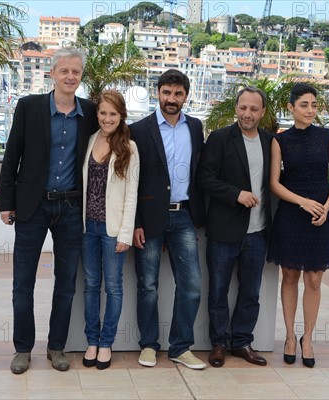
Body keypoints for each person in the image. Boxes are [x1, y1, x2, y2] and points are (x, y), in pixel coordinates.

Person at [0, 47, 98, 374]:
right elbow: (12, 155)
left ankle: (57, 347)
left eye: (76, 72)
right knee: (22, 282)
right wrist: (6, 202)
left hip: (71, 206)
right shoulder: (29, 107)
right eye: (65, 71)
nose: (71, 77)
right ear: (52, 73)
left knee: (66, 283)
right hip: (32, 205)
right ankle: (23, 349)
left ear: (81, 77)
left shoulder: (91, 112)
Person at [130, 69, 207, 370]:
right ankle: (149, 344)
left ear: (186, 96)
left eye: (178, 94)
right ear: (158, 93)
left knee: (191, 285)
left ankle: (180, 347)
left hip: (183, 216)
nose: (172, 99)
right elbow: (132, 180)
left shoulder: (195, 127)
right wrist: (135, 221)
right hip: (148, 220)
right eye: (166, 92)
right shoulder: (139, 130)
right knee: (147, 285)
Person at [267, 83, 329, 368]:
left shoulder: (328, 136)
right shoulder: (281, 141)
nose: (310, 110)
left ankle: (307, 338)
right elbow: (274, 183)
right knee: (289, 277)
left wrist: (325, 207)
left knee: (313, 279)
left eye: (313, 105)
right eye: (304, 105)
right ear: (291, 108)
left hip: (321, 215)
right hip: (291, 213)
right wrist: (303, 202)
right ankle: (289, 336)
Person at [198, 87, 273, 368]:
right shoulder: (219, 138)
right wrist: (235, 194)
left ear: (262, 112)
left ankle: (242, 342)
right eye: (243, 108)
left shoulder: (270, 141)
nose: (247, 114)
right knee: (217, 290)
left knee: (251, 291)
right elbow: (204, 178)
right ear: (236, 108)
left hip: (258, 232)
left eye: (254, 109)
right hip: (224, 229)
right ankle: (218, 343)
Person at [80, 90, 139, 370]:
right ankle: (91, 340)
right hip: (86, 227)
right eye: (103, 113)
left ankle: (106, 343)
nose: (107, 118)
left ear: (121, 116)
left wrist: (126, 233)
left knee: (113, 287)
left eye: (112, 114)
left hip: (112, 228)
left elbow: (132, 194)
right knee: (91, 286)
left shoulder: (129, 147)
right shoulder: (89, 140)